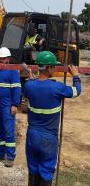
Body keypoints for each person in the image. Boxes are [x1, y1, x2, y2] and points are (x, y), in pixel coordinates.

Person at [23, 51, 81, 186]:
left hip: (32, 136)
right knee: (46, 169)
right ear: (48, 68)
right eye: (53, 66)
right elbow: (76, 91)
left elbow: (31, 89)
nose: (55, 69)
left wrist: (32, 79)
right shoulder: (57, 88)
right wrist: (76, 76)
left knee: (33, 167)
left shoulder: (28, 86)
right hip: (48, 138)